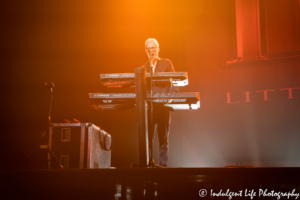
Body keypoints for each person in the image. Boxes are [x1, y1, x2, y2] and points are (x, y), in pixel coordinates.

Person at [141, 38, 177, 167]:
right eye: (150, 48)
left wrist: (170, 98)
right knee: (148, 139)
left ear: (158, 49)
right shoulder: (144, 68)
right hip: (150, 108)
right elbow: (141, 90)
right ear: (146, 51)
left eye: (154, 47)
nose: (153, 50)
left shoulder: (167, 63)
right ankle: (147, 164)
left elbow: (175, 83)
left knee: (163, 139)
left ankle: (163, 166)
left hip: (163, 107)